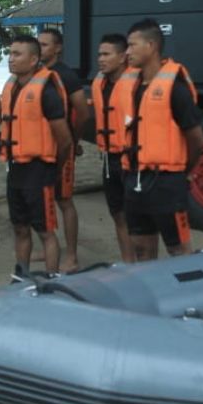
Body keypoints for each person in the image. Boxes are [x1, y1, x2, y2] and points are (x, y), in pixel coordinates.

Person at [116, 19, 203, 260]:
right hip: (134, 178)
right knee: (142, 248)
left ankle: (186, 296)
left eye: (133, 45)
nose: (128, 52)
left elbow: (197, 139)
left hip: (166, 182)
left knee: (178, 251)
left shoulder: (174, 87)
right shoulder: (132, 85)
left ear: (152, 46)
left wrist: (183, 170)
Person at [0, 35, 72, 276]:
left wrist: (54, 168)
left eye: (17, 54)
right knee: (20, 228)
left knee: (45, 231)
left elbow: (64, 139)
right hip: (15, 168)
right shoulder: (11, 87)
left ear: (33, 59)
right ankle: (20, 275)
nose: (11, 59)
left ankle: (52, 279)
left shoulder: (46, 90)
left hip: (39, 169)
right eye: (10, 54)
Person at [38, 28, 90, 272]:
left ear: (57, 48)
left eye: (45, 45)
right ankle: (49, 245)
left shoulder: (66, 75)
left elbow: (83, 112)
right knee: (41, 197)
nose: (40, 49)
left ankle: (71, 255)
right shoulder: (36, 73)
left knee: (64, 200)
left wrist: (73, 140)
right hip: (39, 147)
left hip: (62, 146)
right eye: (38, 44)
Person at [90, 33, 136, 263]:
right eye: (99, 54)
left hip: (132, 158)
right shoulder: (100, 83)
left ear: (122, 57)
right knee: (117, 214)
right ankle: (128, 263)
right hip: (109, 159)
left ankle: (147, 266)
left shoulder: (137, 83)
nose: (101, 59)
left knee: (139, 218)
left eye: (106, 54)